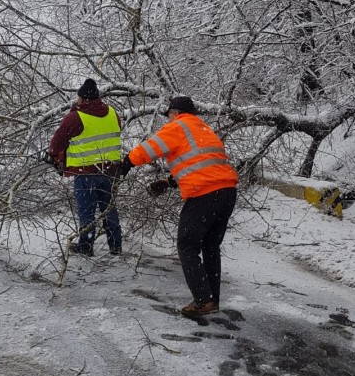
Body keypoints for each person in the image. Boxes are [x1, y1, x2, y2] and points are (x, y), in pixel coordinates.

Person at [121, 95, 238, 317]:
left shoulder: (178, 126)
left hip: (205, 193)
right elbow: (204, 163)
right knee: (211, 246)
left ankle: (203, 301)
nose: (168, 119)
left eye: (169, 115)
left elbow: (151, 148)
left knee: (187, 244)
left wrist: (127, 162)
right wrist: (169, 182)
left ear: (174, 113)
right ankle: (212, 299)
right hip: (227, 192)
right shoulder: (204, 129)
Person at [48, 78, 123, 256]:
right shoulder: (113, 113)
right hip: (111, 171)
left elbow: (56, 143)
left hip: (86, 173)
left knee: (86, 212)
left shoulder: (76, 117)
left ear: (83, 99)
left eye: (78, 98)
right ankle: (116, 245)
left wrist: (53, 156)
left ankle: (86, 246)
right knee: (109, 210)